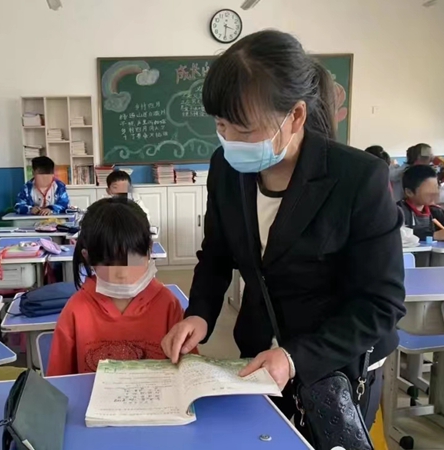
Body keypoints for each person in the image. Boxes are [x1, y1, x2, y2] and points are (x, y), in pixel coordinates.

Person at [161, 29, 405, 434]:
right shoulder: (225, 168)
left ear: (295, 116)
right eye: (221, 125)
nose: (230, 140)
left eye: (245, 130)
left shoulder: (358, 178)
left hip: (336, 363)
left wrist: (295, 357)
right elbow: (216, 255)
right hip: (257, 354)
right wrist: (200, 315)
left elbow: (381, 304)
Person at [46, 197, 185, 376]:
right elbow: (59, 381)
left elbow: (189, 372)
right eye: (109, 262)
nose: (122, 273)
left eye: (134, 258)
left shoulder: (168, 305)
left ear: (149, 250)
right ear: (88, 257)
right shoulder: (75, 310)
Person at [398, 165, 444, 241]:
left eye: (436, 187)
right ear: (409, 192)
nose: (435, 192)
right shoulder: (398, 212)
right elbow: (402, 234)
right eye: (428, 189)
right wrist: (434, 235)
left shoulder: (434, 211)